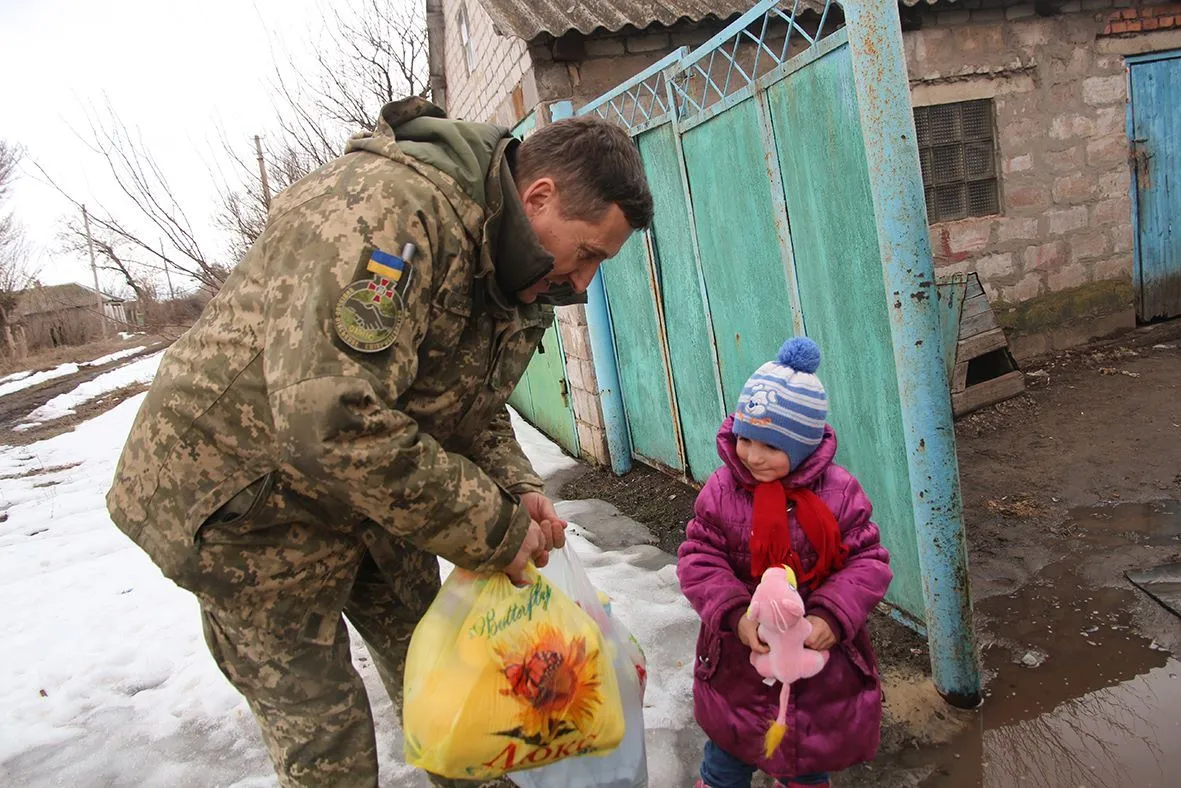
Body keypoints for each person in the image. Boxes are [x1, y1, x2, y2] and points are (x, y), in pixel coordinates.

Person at [105, 96, 653, 788]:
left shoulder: (511, 266)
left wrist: (516, 488)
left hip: (369, 491)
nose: (582, 282)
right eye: (588, 255)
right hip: (247, 502)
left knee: (460, 679)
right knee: (325, 736)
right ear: (539, 196)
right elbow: (330, 417)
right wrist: (490, 527)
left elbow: (468, 404)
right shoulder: (387, 215)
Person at [676, 336, 893, 788]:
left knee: (806, 762)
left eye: (770, 446)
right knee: (725, 762)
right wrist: (735, 614)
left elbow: (868, 561)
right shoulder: (722, 491)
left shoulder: (837, 493)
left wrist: (833, 615)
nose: (752, 456)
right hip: (738, 663)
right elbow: (699, 557)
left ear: (802, 446)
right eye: (745, 438)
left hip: (816, 667)